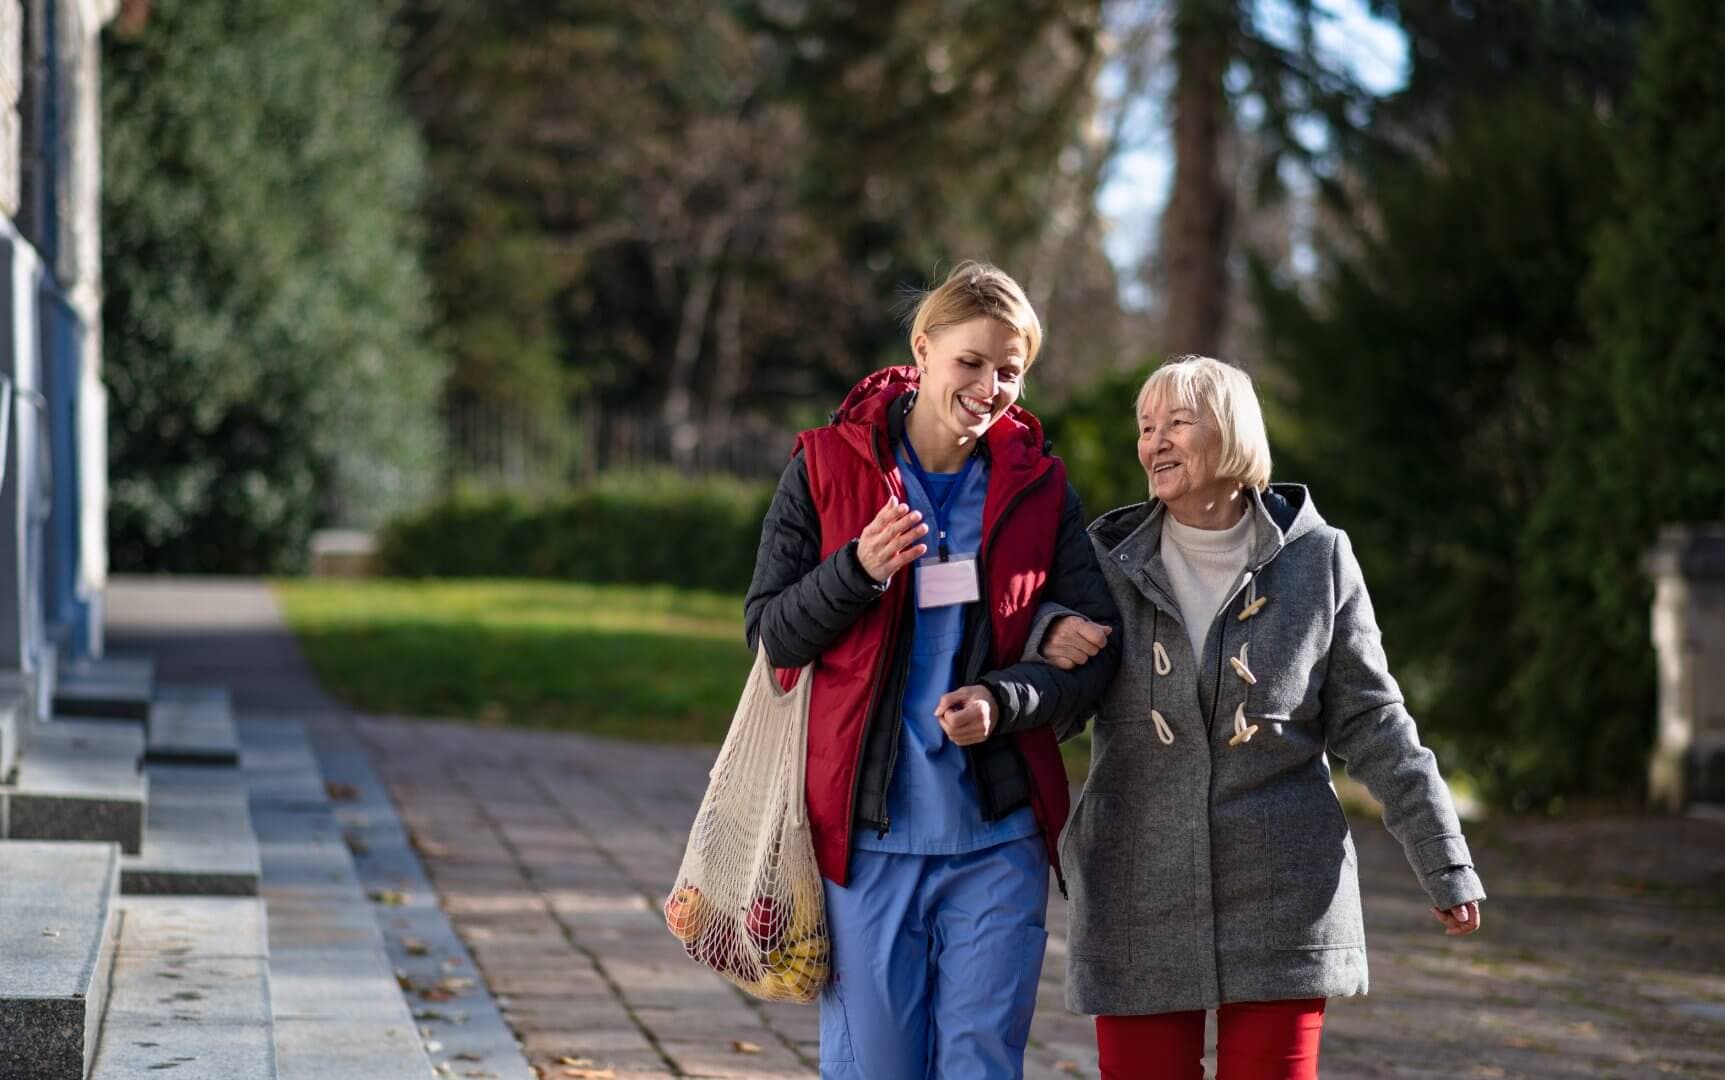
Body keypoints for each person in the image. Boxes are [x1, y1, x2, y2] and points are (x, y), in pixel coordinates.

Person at [1036, 355, 1484, 1080]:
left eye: (1177, 423)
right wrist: (1044, 639)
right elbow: (1049, 707)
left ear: (1233, 434)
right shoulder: (1102, 563)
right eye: (1146, 428)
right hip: (1133, 889)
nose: (1155, 443)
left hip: (1285, 893)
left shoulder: (1320, 560)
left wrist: (1444, 857)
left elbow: (1374, 721)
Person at [744, 261, 1122, 1079]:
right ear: (922, 349)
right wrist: (856, 569)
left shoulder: (1042, 489)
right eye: (971, 363)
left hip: (997, 841)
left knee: (980, 1065)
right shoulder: (822, 468)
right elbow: (771, 636)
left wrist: (1006, 698)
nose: (991, 387)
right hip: (867, 841)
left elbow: (1092, 660)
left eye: (1010, 371)